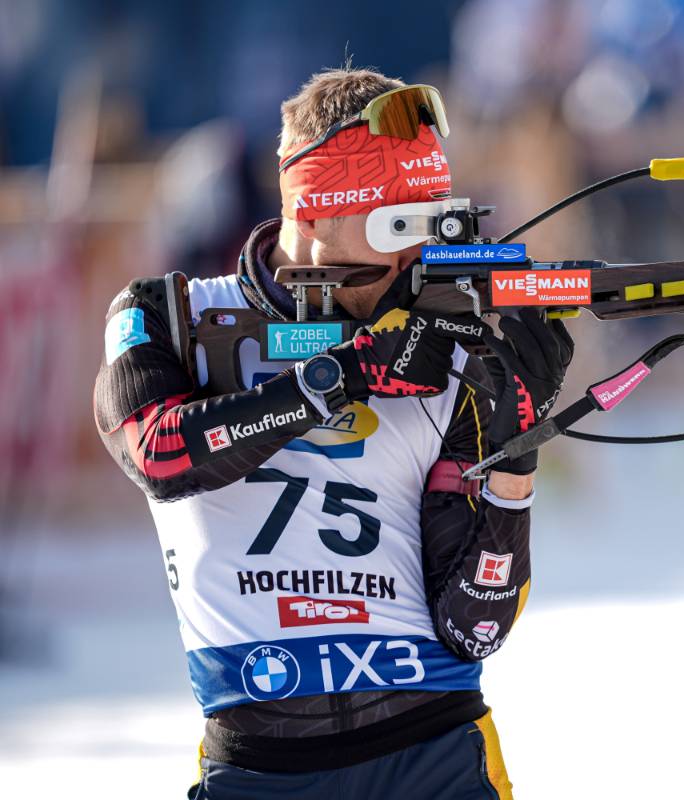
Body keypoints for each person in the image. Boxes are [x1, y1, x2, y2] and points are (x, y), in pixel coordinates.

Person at [93, 67, 573, 799]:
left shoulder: (449, 345)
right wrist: (338, 377)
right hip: (260, 767)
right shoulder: (173, 318)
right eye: (394, 228)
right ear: (311, 216)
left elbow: (476, 629)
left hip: (437, 754)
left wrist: (516, 455)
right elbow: (158, 453)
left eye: (431, 224)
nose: (415, 258)